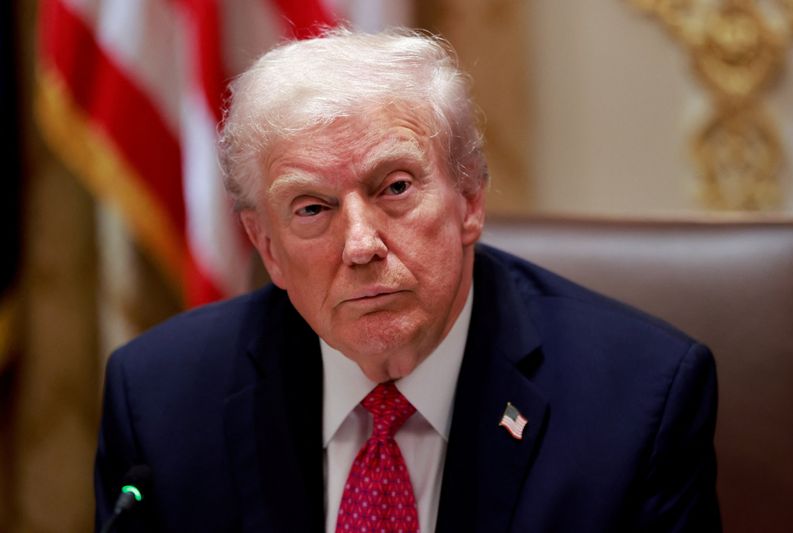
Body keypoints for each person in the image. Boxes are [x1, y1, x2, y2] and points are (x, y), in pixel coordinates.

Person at [94, 28, 721, 532]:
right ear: (267, 248)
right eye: (311, 208)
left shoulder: (637, 402)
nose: (360, 245)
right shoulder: (161, 402)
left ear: (469, 200)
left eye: (394, 187)